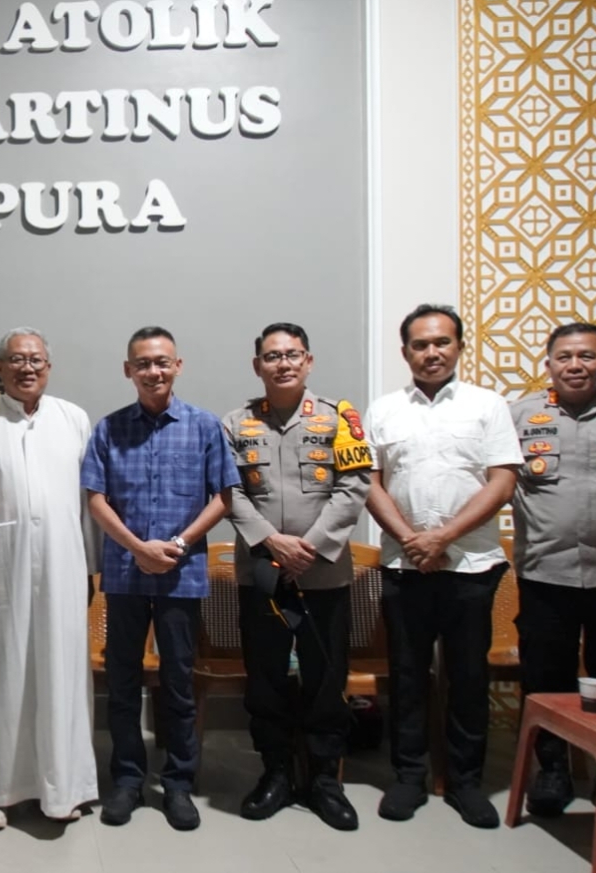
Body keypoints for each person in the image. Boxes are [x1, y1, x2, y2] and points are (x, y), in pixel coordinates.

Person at [366, 304, 522, 828]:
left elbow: (502, 481)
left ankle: (465, 782)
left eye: (442, 342)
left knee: (468, 676)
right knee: (408, 675)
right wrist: (411, 539)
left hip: (471, 565)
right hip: (404, 564)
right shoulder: (384, 410)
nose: (431, 352)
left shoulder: (487, 405)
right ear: (405, 351)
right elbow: (369, 482)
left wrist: (443, 536)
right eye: (420, 344)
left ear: (458, 346)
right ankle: (409, 777)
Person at [80, 326, 240, 831]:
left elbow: (224, 496)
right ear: (128, 370)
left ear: (178, 366)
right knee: (123, 682)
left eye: (162, 362)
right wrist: (137, 548)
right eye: (143, 363)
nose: (153, 371)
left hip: (181, 575)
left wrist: (178, 545)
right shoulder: (108, 429)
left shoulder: (205, 425)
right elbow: (95, 498)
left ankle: (178, 784)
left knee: (178, 683)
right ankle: (127, 781)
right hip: (125, 575)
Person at [222, 323, 371, 831]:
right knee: (265, 679)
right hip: (263, 574)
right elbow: (229, 491)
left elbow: (355, 486)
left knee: (326, 677)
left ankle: (325, 779)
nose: (282, 363)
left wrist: (312, 546)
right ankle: (277, 773)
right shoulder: (235, 423)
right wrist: (271, 542)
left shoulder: (340, 417)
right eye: (272, 356)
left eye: (292, 354)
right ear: (257, 365)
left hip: (322, 572)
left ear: (308, 361)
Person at [0, 327, 100, 830]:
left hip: (64, 566)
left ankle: (63, 789)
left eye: (35, 359)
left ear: (49, 367)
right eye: (16, 359)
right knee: (3, 673)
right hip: (0, 566)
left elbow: (88, 503)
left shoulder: (73, 418)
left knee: (62, 674)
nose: (27, 368)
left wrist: (90, 570)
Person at [509, 322, 596, 816]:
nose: (575, 365)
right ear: (548, 364)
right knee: (547, 676)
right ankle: (552, 770)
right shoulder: (521, 415)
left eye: (587, 356)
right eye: (565, 356)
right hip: (545, 573)